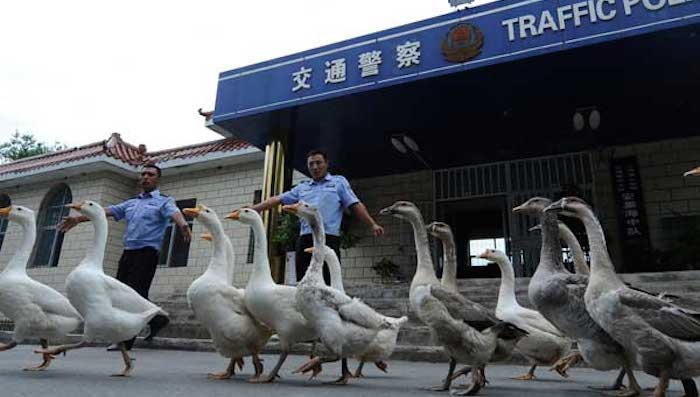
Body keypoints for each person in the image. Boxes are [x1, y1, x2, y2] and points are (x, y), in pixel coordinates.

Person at [60, 163, 192, 350]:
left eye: (151, 174)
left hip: (147, 253)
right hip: (128, 253)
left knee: (135, 291)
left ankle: (125, 341)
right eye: (143, 174)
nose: (146, 177)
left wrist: (183, 224)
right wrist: (78, 219)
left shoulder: (164, 201)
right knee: (126, 293)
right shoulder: (131, 203)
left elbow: (175, 212)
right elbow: (102, 212)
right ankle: (157, 320)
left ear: (157, 179)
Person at [249, 149, 384, 284]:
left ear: (326, 163)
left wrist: (372, 224)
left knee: (328, 282)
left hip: (328, 239)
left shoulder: (338, 182)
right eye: (311, 164)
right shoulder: (302, 187)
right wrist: (255, 209)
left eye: (318, 163)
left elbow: (355, 204)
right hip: (305, 239)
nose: (314, 167)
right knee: (304, 282)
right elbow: (278, 199)